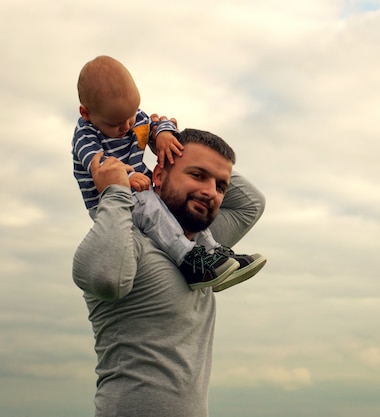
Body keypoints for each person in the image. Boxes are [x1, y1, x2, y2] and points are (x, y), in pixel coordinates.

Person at [73, 127, 264, 416]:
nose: (210, 192)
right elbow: (104, 278)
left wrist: (165, 140)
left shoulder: (202, 255)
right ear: (158, 176)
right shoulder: (129, 240)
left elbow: (252, 203)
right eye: (197, 175)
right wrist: (115, 192)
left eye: (221, 186)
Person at [72, 55, 265, 291]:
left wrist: (165, 138)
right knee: (151, 208)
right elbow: (102, 168)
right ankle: (188, 259)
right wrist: (128, 180)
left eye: (131, 115)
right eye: (115, 123)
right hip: (113, 198)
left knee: (176, 217)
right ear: (86, 113)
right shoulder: (86, 135)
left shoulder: (131, 118)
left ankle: (212, 254)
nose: (126, 127)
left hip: (142, 189)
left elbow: (155, 124)